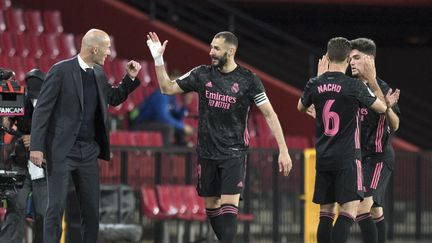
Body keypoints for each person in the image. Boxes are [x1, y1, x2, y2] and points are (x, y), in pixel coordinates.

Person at [146, 31, 292, 242]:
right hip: (206, 153)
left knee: (229, 207)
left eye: (216, 48)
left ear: (231, 51)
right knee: (212, 206)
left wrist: (284, 150)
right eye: (211, 46)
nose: (211, 52)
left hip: (234, 153)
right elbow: (166, 88)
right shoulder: (201, 74)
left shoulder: (249, 80)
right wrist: (158, 58)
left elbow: (270, 113)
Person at [29, 29, 141, 243]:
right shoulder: (60, 71)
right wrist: (36, 146)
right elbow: (42, 110)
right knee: (56, 209)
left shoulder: (98, 73)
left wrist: (130, 78)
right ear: (94, 48)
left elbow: (114, 98)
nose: (109, 52)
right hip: (62, 150)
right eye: (107, 47)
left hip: (88, 152)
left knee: (91, 211)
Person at [297, 37, 387, 243]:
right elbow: (382, 108)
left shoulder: (314, 83)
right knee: (348, 212)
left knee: (326, 213)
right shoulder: (353, 85)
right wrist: (372, 79)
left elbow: (301, 107)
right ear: (348, 58)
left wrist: (319, 79)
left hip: (324, 158)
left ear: (327, 57)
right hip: (348, 159)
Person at [349, 38, 400, 243]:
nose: (351, 62)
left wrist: (386, 105)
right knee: (375, 210)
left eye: (357, 58)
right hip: (361, 158)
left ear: (370, 59)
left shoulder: (383, 88)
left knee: (362, 208)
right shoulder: (351, 87)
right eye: (350, 58)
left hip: (379, 157)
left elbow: (395, 124)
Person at [0, 69, 47, 243]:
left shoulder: (54, 102)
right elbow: (8, 118)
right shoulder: (21, 97)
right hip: (20, 161)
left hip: (44, 164)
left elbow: (62, 131)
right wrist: (7, 120)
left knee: (43, 212)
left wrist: (37, 139)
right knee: (15, 206)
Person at [129, 88, 194, 146]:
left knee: (178, 128)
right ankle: (166, 154)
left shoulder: (172, 97)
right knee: (169, 128)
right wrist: (182, 126)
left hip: (154, 122)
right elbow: (162, 117)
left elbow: (176, 117)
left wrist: (185, 105)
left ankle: (183, 152)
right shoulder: (161, 95)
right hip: (140, 124)